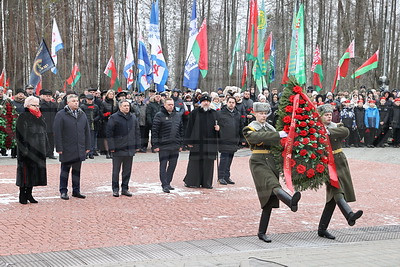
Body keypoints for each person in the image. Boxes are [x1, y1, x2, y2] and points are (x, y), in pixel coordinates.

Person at [243, 102, 301, 243]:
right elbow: (255, 138)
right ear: (255, 114)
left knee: (268, 200)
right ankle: (290, 201)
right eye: (260, 113)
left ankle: (262, 232)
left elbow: (278, 143)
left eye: (265, 113)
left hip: (271, 161)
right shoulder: (250, 128)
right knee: (272, 184)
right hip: (258, 161)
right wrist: (277, 135)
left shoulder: (270, 128)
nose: (263, 116)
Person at [317, 104, 363, 240]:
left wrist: (329, 132)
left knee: (332, 199)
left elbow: (346, 132)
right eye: (326, 115)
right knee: (337, 189)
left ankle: (322, 229)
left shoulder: (336, 126)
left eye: (330, 114)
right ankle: (349, 214)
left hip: (339, 161)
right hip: (326, 163)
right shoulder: (317, 129)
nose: (329, 116)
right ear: (320, 116)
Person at [54, 94, 91, 200]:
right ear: (68, 103)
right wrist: (59, 148)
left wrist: (88, 146)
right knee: (65, 171)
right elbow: (57, 132)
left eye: (77, 101)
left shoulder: (82, 114)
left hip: (79, 148)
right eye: (73, 101)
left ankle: (76, 190)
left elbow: (87, 131)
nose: (76, 103)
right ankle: (63, 191)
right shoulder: (61, 114)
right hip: (66, 148)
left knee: (77, 171)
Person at [15, 96, 47, 204]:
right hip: (27, 152)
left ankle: (29, 194)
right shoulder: (23, 116)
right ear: (27, 105)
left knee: (34, 174)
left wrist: (46, 147)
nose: (37, 107)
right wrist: (24, 151)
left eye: (38, 105)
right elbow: (19, 136)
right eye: (34, 105)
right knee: (25, 175)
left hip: (39, 151)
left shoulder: (40, 117)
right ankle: (22, 195)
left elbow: (44, 133)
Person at [183, 95, 219, 189]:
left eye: (208, 101)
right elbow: (189, 127)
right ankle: (193, 182)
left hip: (210, 143)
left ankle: (206, 183)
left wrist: (219, 129)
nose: (206, 103)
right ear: (201, 103)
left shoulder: (214, 113)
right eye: (204, 101)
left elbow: (220, 126)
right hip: (197, 142)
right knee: (195, 163)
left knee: (208, 163)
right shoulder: (195, 113)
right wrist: (188, 141)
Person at [106, 100, 140, 197]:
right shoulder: (114, 117)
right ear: (120, 107)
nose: (127, 107)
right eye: (124, 106)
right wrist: (111, 147)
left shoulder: (133, 117)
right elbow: (109, 133)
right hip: (118, 148)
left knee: (127, 170)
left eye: (128, 106)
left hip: (130, 148)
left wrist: (137, 145)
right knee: (116, 170)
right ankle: (115, 189)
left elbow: (137, 132)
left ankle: (125, 188)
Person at [151, 98, 184, 193]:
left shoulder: (177, 115)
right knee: (163, 165)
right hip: (163, 145)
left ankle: (168, 182)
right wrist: (155, 144)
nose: (171, 106)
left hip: (175, 145)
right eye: (169, 104)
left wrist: (181, 144)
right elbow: (155, 131)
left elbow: (181, 130)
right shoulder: (159, 115)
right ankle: (164, 184)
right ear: (164, 105)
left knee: (172, 165)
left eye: (172, 104)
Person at [217, 96, 244, 185]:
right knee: (224, 158)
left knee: (230, 159)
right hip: (224, 139)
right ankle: (221, 177)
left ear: (235, 104)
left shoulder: (238, 114)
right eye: (230, 102)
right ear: (227, 103)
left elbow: (241, 127)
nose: (231, 104)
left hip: (234, 139)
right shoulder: (220, 113)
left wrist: (242, 139)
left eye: (233, 102)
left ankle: (226, 176)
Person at [80, 94, 101, 159]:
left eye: (91, 100)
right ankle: (85, 153)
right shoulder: (82, 106)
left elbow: (98, 115)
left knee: (92, 139)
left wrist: (95, 119)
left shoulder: (95, 106)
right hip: (85, 124)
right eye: (88, 100)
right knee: (85, 139)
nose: (89, 101)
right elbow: (80, 115)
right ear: (86, 99)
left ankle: (91, 153)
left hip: (93, 124)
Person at [39, 89, 58, 159]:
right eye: (47, 96)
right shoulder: (40, 105)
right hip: (43, 125)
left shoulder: (54, 105)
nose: (48, 97)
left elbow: (56, 114)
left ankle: (51, 153)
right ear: (43, 96)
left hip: (52, 124)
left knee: (51, 140)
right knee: (43, 140)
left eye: (49, 96)